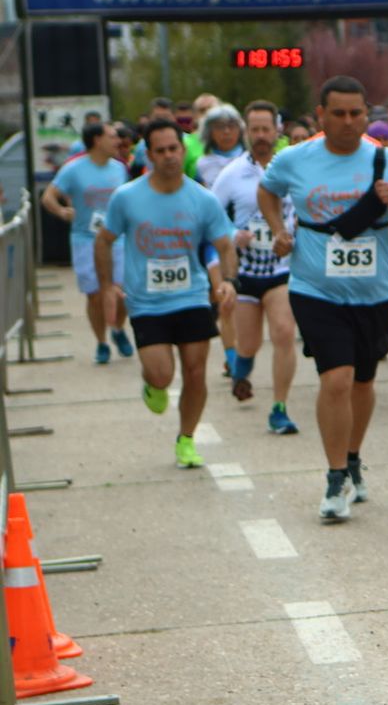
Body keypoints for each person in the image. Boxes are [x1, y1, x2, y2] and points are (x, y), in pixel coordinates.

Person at [258, 75, 388, 523]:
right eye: (338, 113)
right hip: (315, 288)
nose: (349, 122)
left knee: (362, 383)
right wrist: (280, 229)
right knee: (335, 378)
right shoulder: (295, 158)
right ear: (321, 115)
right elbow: (268, 189)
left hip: (376, 293)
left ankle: (353, 455)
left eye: (357, 113)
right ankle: (336, 476)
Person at [96, 120, 237, 469]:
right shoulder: (127, 197)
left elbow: (224, 243)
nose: (169, 156)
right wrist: (108, 287)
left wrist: (230, 280)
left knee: (195, 371)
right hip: (146, 301)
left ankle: (186, 439)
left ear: (182, 150)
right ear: (149, 154)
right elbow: (104, 240)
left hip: (190, 295)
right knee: (161, 373)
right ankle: (153, 385)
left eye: (174, 149)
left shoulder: (202, 198)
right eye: (160, 151)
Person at [210, 101, 300, 434]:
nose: (261, 136)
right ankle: (242, 369)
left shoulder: (292, 169)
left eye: (266, 129)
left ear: (278, 130)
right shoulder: (232, 174)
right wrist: (234, 234)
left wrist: (294, 234)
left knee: (284, 333)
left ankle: (279, 408)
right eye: (255, 129)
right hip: (244, 272)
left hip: (282, 270)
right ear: (247, 132)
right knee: (248, 344)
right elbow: (212, 216)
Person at [42, 120, 133, 363]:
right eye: (112, 137)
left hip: (116, 238)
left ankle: (117, 329)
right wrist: (62, 212)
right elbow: (48, 196)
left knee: (122, 291)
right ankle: (101, 342)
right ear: (97, 140)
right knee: (95, 294)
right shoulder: (73, 169)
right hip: (85, 239)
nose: (118, 141)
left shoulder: (119, 168)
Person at [194, 104, 247, 188]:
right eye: (220, 127)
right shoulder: (202, 164)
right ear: (209, 132)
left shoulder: (251, 159)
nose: (226, 131)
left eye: (231, 126)